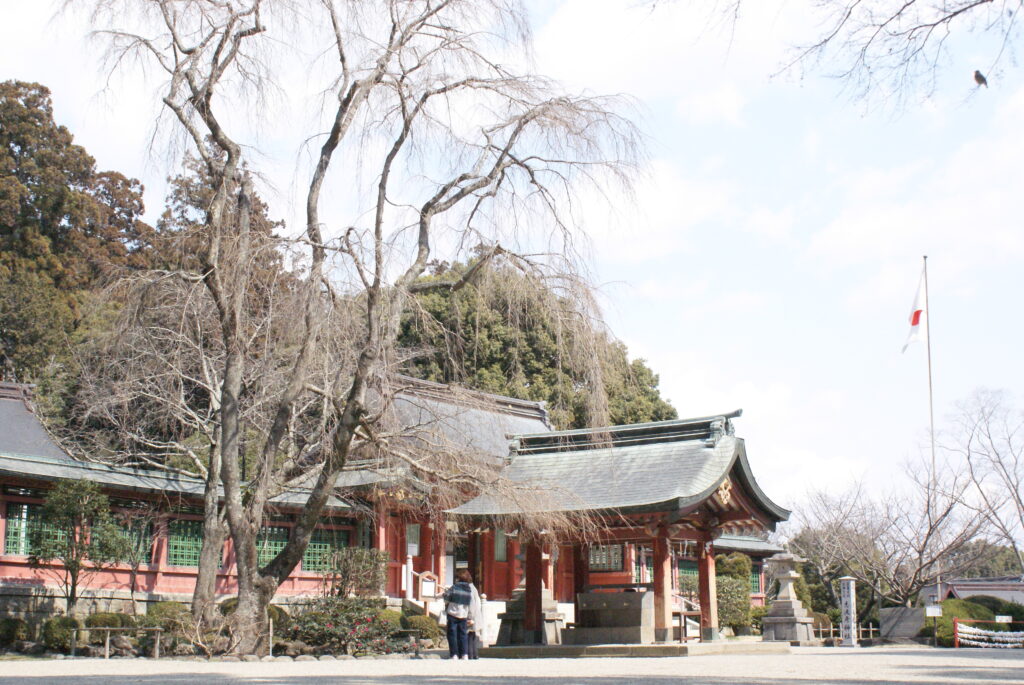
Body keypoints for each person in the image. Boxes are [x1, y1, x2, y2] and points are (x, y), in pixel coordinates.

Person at [444, 569, 480, 660]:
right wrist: (471, 617)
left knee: (452, 635)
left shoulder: (454, 587)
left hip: (453, 613)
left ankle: (454, 654)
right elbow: (471, 604)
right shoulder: (469, 589)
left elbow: (447, 598)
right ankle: (465, 654)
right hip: (463, 614)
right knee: (463, 635)